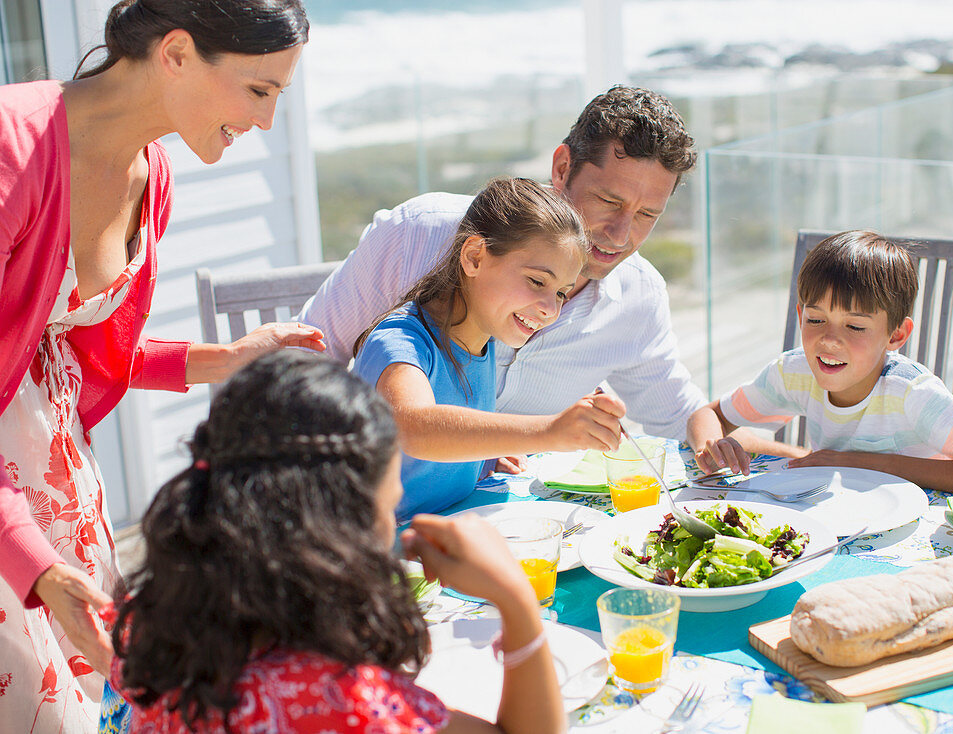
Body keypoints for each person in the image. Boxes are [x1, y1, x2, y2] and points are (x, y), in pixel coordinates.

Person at [0, 2, 324, 730]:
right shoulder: (11, 147)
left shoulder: (153, 175)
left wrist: (229, 360)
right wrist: (37, 569)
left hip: (57, 490)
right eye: (259, 90)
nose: (268, 122)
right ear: (176, 53)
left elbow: (78, 359)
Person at [105, 349, 566, 734]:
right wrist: (517, 601)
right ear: (336, 532)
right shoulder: (346, 702)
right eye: (389, 508)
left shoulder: (150, 631)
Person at [299, 86, 711, 455]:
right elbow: (303, 369)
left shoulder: (638, 297)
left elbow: (682, 417)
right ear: (563, 167)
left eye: (646, 215)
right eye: (608, 200)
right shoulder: (416, 239)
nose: (621, 236)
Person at [687, 230, 953, 494]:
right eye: (815, 319)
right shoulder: (795, 372)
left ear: (896, 336)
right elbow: (708, 415)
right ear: (800, 315)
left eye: (855, 325)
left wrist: (858, 461)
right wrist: (711, 447)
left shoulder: (911, 393)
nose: (829, 339)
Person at [353, 177, 626, 520]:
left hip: (440, 535)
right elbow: (416, 429)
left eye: (560, 293)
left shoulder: (483, 341)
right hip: (371, 555)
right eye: (537, 281)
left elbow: (440, 445)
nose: (550, 309)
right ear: (474, 257)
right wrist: (549, 431)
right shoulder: (400, 342)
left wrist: (481, 456)